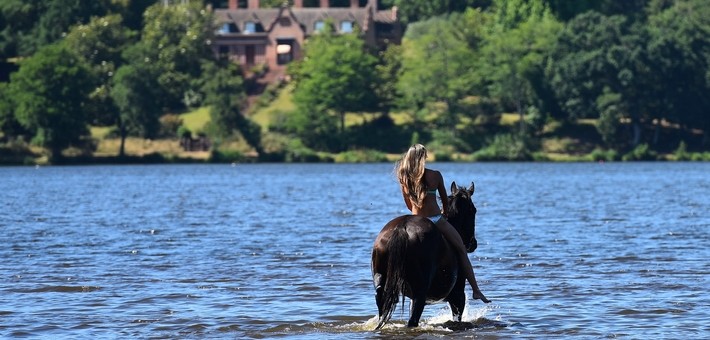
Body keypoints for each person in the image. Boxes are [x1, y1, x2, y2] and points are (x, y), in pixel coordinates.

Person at [395, 144, 491, 303]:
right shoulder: (435, 175)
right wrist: (444, 213)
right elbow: (445, 202)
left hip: (414, 219)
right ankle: (476, 290)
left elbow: (408, 204)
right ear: (423, 158)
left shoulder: (403, 177)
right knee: (461, 250)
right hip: (435, 219)